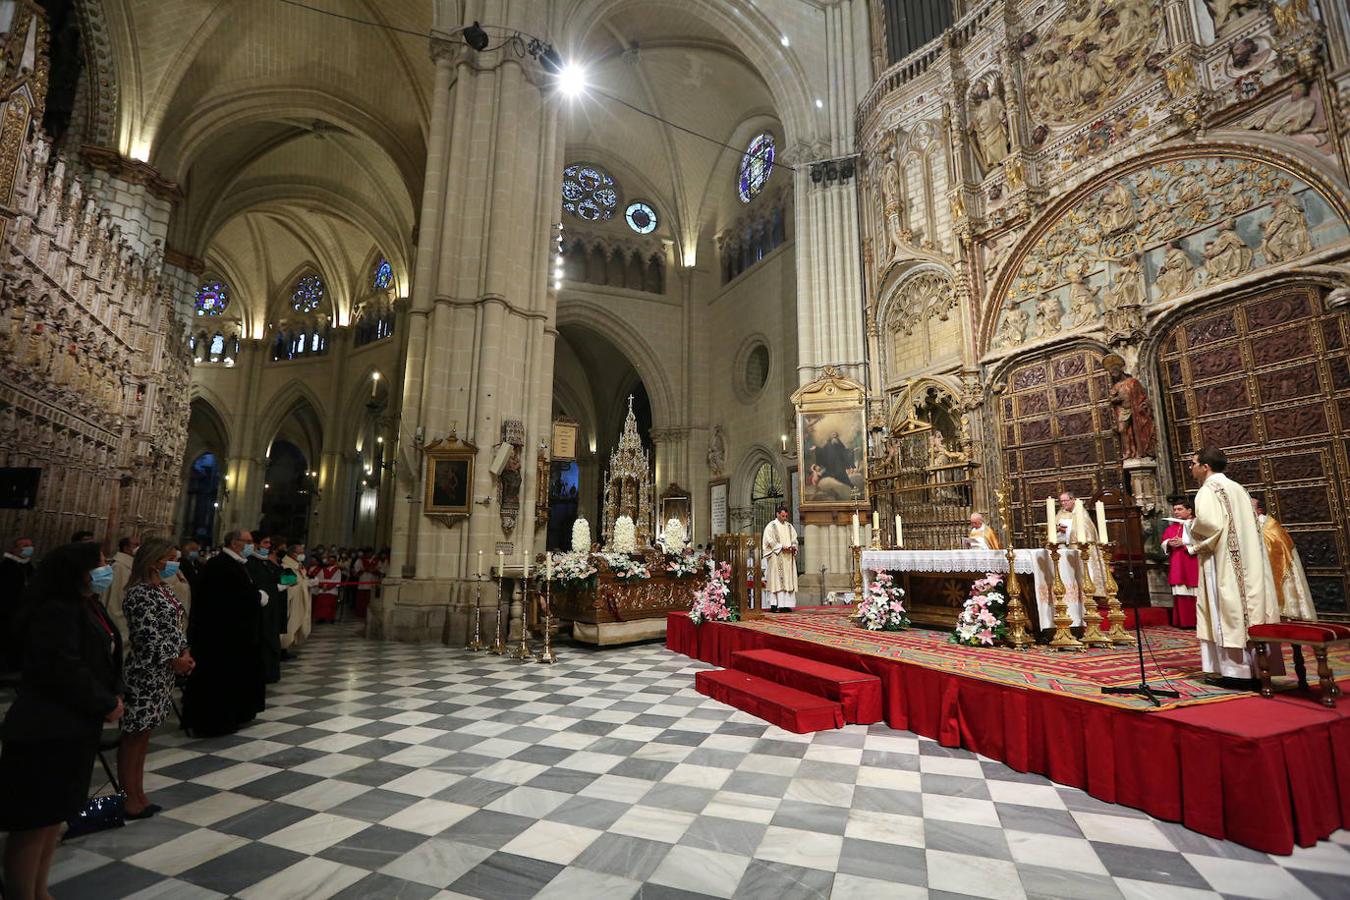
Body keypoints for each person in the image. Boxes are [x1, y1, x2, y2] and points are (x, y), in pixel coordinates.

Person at [0, 542, 124, 900]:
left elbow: (102, 653)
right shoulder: (55, 610)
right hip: (47, 726)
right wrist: (104, 702)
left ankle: (41, 891)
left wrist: (114, 694)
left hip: (74, 725)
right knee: (33, 822)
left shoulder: (85, 606)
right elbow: (63, 667)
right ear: (80, 571)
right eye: (101, 564)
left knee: (53, 818)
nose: (106, 569)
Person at [1188, 447, 1281, 683]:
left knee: (1226, 610)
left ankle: (1235, 672)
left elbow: (1210, 524)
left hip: (1223, 562)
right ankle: (1260, 667)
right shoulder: (1238, 488)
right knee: (1251, 608)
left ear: (1205, 466)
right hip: (1249, 561)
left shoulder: (1207, 491)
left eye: (1193, 463)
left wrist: (1191, 534)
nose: (1191, 467)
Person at [118, 537, 193, 818]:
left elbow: (175, 623)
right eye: (170, 558)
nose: (174, 562)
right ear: (153, 562)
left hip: (163, 672)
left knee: (145, 735)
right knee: (133, 735)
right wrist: (175, 659)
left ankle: (139, 793)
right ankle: (129, 797)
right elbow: (146, 636)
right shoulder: (139, 593)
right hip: (145, 671)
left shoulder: (162, 588)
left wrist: (184, 651)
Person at [180, 529, 268, 737]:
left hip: (231, 634)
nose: (251, 546)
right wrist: (257, 597)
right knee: (217, 681)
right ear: (235, 543)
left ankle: (230, 716)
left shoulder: (234, 564)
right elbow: (231, 599)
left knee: (230, 679)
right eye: (248, 542)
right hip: (220, 636)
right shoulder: (221, 565)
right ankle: (214, 722)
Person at [1252, 497, 1316, 621]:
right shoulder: (1255, 525)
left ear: (1259, 510)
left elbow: (1275, 548)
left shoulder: (1270, 527)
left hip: (1278, 570)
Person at [246, 535, 286, 684]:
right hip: (261, 609)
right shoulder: (251, 562)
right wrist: (274, 587)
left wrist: (281, 563)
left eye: (270, 543)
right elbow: (257, 584)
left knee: (271, 640)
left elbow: (289, 579)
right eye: (265, 542)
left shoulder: (269, 563)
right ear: (256, 545)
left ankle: (271, 673)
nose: (269, 546)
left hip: (273, 607)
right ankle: (264, 673)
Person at [1161, 495, 1200, 627]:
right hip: (1177, 564)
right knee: (1180, 592)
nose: (1176, 512)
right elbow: (1164, 541)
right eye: (1175, 509)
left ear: (1189, 511)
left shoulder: (1197, 525)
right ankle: (1183, 622)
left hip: (1193, 563)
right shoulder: (1172, 527)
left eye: (1179, 509)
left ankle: (1197, 622)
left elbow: (1203, 542)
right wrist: (1168, 543)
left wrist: (1183, 542)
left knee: (1196, 593)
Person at [1, 537, 35, 672]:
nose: (29, 548)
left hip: (26, 613)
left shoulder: (29, 566)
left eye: (30, 545)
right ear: (15, 549)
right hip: (9, 613)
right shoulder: (6, 567)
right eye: (25, 545)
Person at [761, 505, 799, 612]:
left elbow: (795, 540)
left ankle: (785, 605)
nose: (784, 518)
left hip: (787, 558)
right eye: (782, 516)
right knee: (776, 581)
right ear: (777, 514)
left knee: (788, 581)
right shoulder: (771, 526)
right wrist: (781, 547)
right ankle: (775, 604)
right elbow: (768, 540)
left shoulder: (789, 527)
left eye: (786, 516)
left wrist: (793, 546)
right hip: (776, 557)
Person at [105, 535, 139, 639]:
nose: (139, 547)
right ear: (126, 548)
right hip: (120, 621)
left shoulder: (129, 565)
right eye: (136, 545)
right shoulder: (119, 567)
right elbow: (117, 599)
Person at [280, 542, 312, 653]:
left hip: (299, 599)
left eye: (303, 553)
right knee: (289, 623)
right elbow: (287, 585)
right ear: (292, 554)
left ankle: (288, 647)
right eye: (300, 553)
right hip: (291, 601)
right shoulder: (285, 565)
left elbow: (302, 580)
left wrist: (308, 583)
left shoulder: (298, 565)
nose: (303, 555)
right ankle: (283, 648)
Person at [312, 553, 342, 623]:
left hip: (332, 590)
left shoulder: (338, 570)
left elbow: (337, 581)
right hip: (322, 590)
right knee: (321, 605)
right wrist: (322, 586)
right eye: (330, 560)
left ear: (335, 562)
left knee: (330, 605)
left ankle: (330, 618)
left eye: (333, 560)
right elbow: (318, 579)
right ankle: (321, 618)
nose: (331, 562)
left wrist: (328, 587)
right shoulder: (323, 569)